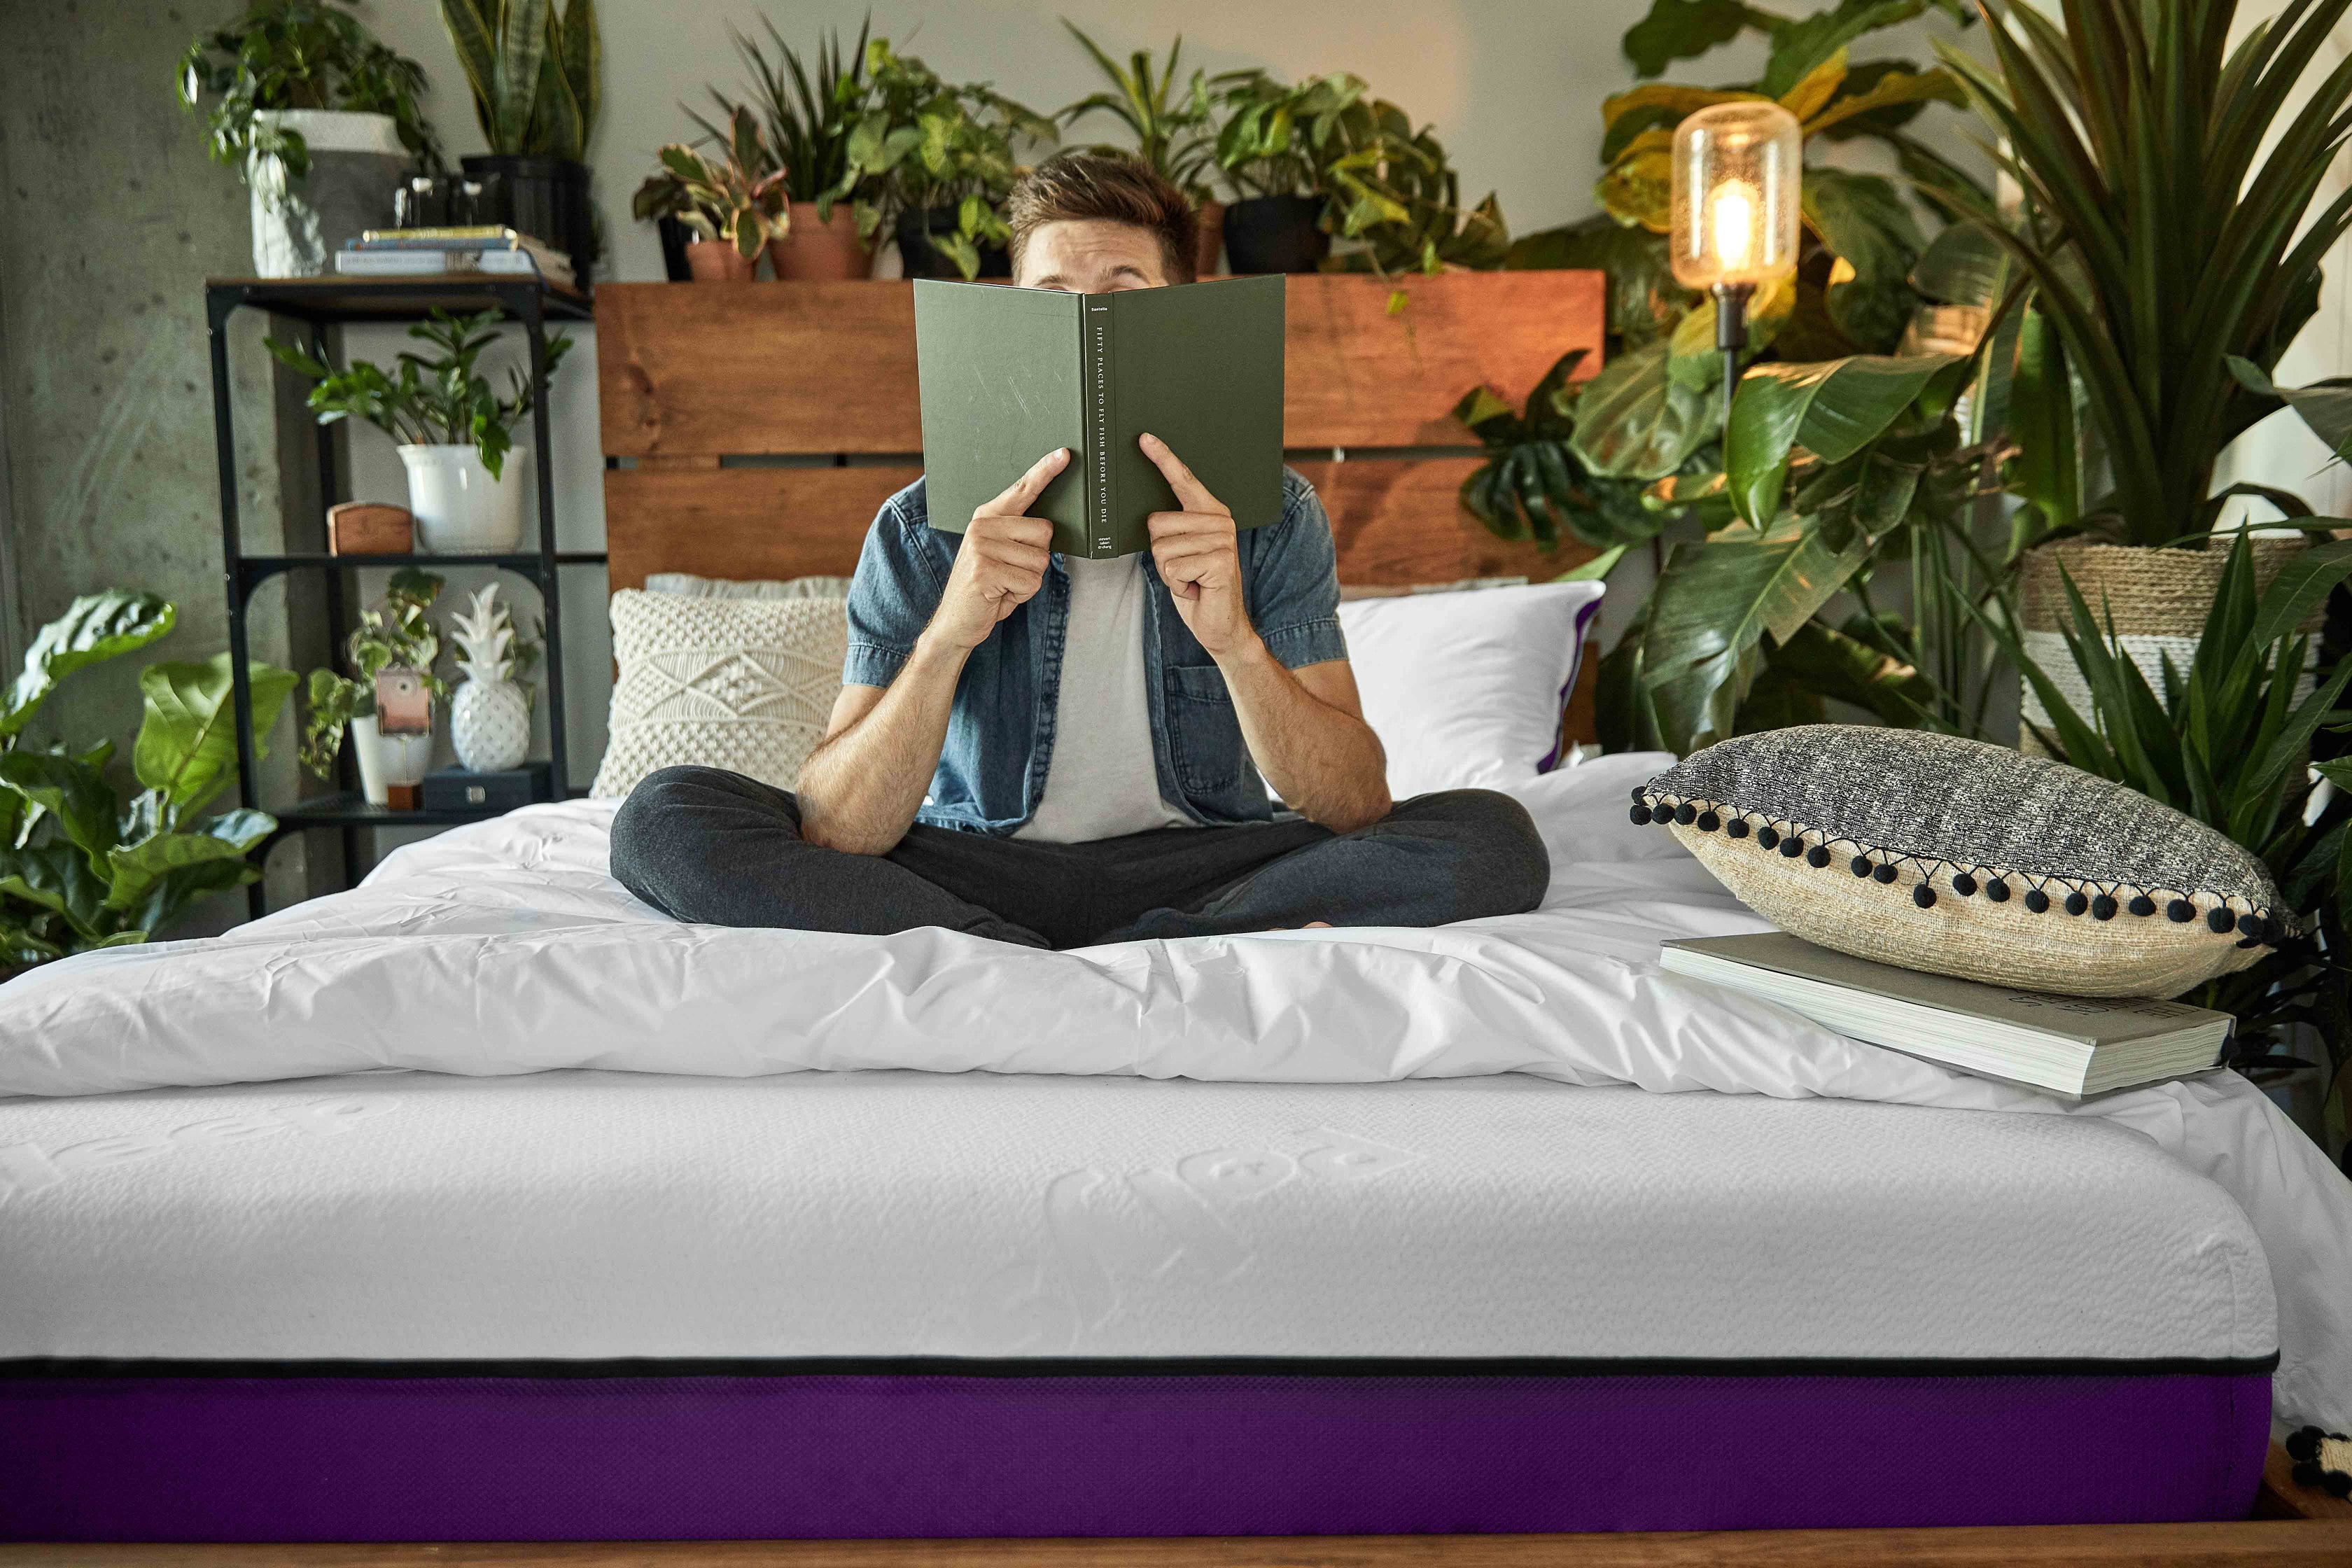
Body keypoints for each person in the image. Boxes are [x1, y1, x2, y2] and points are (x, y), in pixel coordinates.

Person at [610, 153, 1549, 950]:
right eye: (1052, 299)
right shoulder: (919, 527)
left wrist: (1234, 642)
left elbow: (1354, 807)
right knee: (665, 817)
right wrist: (951, 632)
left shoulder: (1270, 514)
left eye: (1123, 293)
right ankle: (1037, 948)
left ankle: (1048, 951)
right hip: (976, 863)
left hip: (1203, 862)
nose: (1087, 321)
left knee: (1493, 837)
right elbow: (836, 825)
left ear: (1180, 318)